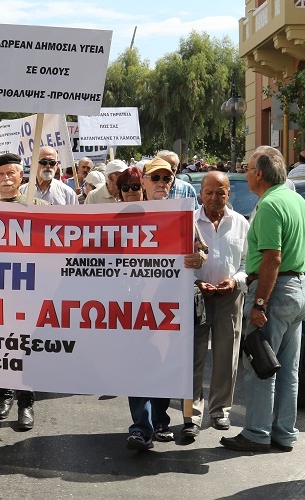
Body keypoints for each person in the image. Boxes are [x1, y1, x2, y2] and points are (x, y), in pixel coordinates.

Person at [220, 148, 305, 453]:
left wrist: (260, 303)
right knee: (286, 369)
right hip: (297, 288)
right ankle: (284, 433)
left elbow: (273, 258)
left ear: (259, 174)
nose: (245, 173)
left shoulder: (270, 204)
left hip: (274, 291)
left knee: (260, 364)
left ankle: (257, 433)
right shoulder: (297, 201)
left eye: (248, 168)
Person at [180, 171, 249, 439]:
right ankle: (191, 415)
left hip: (229, 296)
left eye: (220, 192)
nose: (214, 198)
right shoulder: (187, 222)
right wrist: (195, 283)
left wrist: (235, 280)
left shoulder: (240, 223)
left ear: (228, 194)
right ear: (200, 194)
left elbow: (247, 263)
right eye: (208, 192)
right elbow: (176, 262)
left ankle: (220, 411)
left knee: (226, 355)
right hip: (195, 295)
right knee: (192, 357)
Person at [126, 157, 185, 450]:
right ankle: (140, 427)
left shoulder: (182, 215)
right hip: (135, 304)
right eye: (156, 178)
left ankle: (161, 420)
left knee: (164, 361)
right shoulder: (129, 216)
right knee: (138, 362)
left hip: (169, 303)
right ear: (144, 182)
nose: (162, 184)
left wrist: (198, 256)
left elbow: (199, 251)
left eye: (167, 178)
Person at [0, 152, 48, 430]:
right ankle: (4, 395)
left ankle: (26, 403)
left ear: (21, 176)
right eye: (1, 174)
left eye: (11, 173)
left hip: (28, 291)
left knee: (25, 350)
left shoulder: (38, 206)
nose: (6, 179)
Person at [0, 147, 78, 205]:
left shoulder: (68, 193)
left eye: (52, 162)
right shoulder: (22, 190)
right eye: (43, 162)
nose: (48, 165)